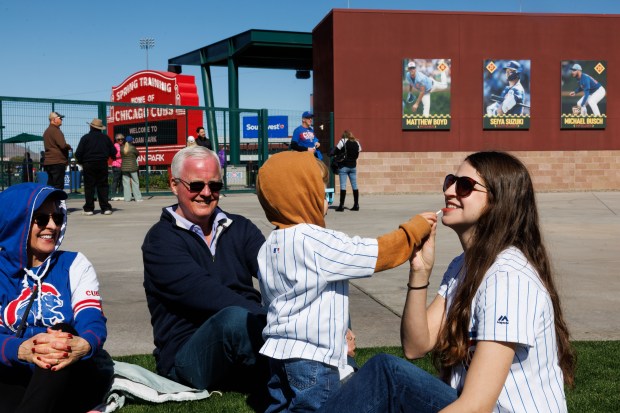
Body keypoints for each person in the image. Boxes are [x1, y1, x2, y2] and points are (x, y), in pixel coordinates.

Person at [320, 151, 575, 413]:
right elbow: (416, 345)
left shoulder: (508, 278)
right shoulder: (461, 266)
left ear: (498, 201)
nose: (450, 191)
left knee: (387, 374)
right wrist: (420, 272)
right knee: (386, 373)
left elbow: (476, 406)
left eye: (464, 186)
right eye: (450, 181)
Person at [255, 150, 435, 412]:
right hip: (313, 357)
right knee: (322, 407)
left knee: (281, 407)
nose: (326, 200)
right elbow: (373, 254)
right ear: (304, 195)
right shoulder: (314, 240)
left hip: (277, 354)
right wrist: (413, 230)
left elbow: (275, 302)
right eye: (323, 193)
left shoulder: (268, 245)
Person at [142, 146, 269, 409]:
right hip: (188, 356)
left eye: (215, 185)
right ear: (173, 184)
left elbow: (277, 273)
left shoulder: (241, 227)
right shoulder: (160, 241)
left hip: (245, 337)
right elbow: (207, 295)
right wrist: (273, 322)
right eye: (196, 185)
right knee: (234, 319)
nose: (207, 193)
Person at [0, 183, 111, 412]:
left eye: (57, 218)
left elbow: (91, 318)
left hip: (71, 371)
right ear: (16, 222)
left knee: (62, 331)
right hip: (14, 371)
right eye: (41, 219)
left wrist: (84, 343)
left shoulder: (74, 264)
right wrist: (22, 349)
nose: (52, 225)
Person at [75, 118, 116, 216]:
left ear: (91, 126)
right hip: (102, 163)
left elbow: (78, 153)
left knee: (89, 186)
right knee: (103, 185)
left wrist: (81, 162)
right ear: (100, 128)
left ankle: (89, 209)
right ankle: (105, 208)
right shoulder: (105, 138)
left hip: (88, 164)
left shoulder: (85, 138)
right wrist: (111, 156)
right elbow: (113, 151)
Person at [333, 130, 362, 212]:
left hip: (343, 166)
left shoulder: (342, 141)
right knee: (354, 185)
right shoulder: (356, 142)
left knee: (343, 186)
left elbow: (336, 151)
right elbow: (358, 151)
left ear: (344, 135)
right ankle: (356, 205)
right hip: (353, 166)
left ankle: (341, 206)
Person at [43, 111, 72, 189]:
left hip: (49, 162)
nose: (62, 120)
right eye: (60, 118)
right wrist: (69, 147)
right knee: (58, 185)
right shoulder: (56, 131)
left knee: (51, 184)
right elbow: (62, 145)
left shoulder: (47, 131)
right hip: (57, 162)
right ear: (54, 119)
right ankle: (58, 201)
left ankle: (51, 200)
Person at [121, 136, 143, 202]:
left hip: (124, 168)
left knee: (126, 183)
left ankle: (127, 198)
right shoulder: (133, 148)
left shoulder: (122, 148)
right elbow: (137, 154)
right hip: (133, 167)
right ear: (131, 141)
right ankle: (138, 198)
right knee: (135, 182)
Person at [110, 133, 124, 201]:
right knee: (115, 180)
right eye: (119, 139)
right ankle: (114, 194)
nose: (121, 140)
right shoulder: (115, 145)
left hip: (122, 165)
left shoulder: (123, 146)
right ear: (116, 140)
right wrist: (123, 153)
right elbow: (115, 155)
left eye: (122, 139)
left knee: (121, 181)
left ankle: (120, 194)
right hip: (116, 165)